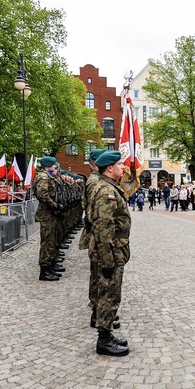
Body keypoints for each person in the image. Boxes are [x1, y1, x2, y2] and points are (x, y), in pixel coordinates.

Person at [87, 150, 131, 356]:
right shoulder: (106, 191)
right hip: (110, 251)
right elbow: (103, 227)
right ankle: (103, 340)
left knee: (111, 292)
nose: (124, 167)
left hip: (115, 248)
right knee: (109, 293)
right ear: (110, 168)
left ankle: (107, 335)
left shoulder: (109, 187)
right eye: (120, 164)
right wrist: (107, 259)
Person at [33, 156, 64, 282]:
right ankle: (44, 271)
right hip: (46, 214)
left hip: (51, 213)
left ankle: (50, 266)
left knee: (52, 241)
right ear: (48, 165)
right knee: (47, 243)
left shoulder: (48, 176)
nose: (55, 167)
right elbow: (42, 195)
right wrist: (55, 205)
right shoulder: (43, 177)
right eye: (53, 165)